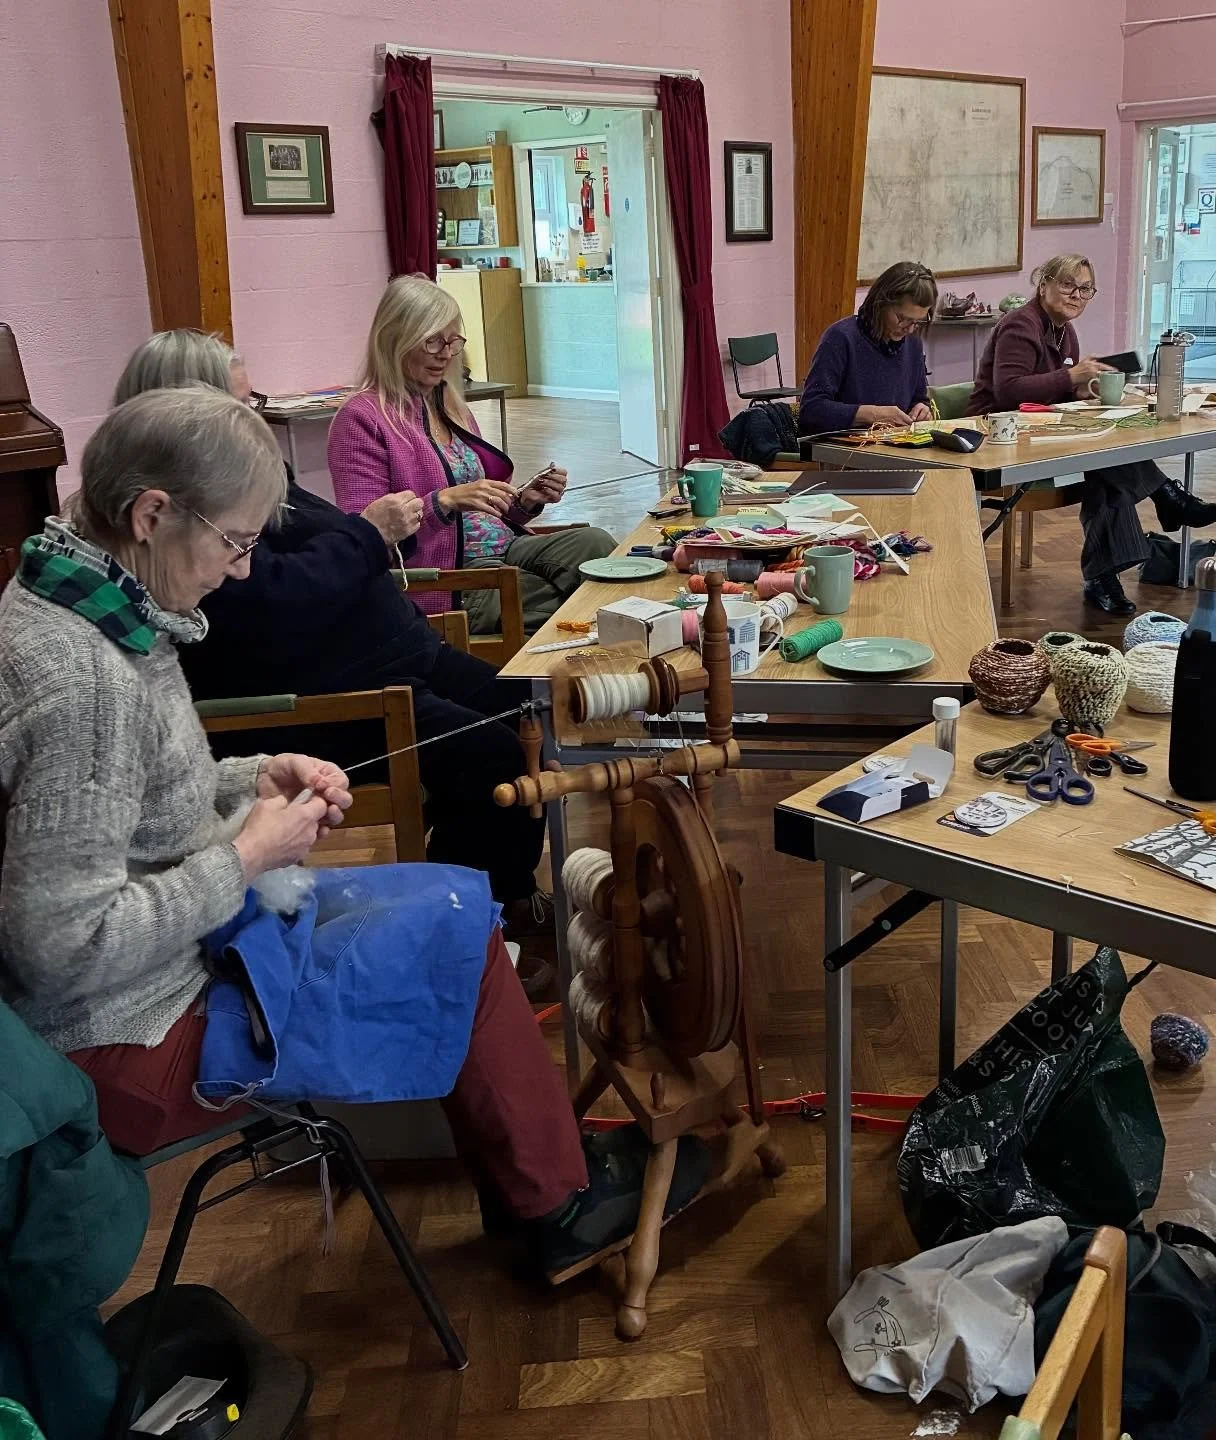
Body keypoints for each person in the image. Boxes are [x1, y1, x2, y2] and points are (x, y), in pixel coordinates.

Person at [0, 386, 704, 1276]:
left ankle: (537, 1187)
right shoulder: (82, 680)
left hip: (162, 973)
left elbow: (138, 800)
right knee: (456, 933)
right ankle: (555, 1207)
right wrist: (247, 852)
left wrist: (254, 776)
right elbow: (62, 944)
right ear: (150, 513)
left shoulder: (83, 604)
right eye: (237, 543)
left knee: (454, 904)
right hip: (132, 1036)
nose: (245, 570)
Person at [112, 330, 548, 934]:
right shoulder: (194, 524)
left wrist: (375, 536)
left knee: (528, 708)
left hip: (399, 659)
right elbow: (278, 601)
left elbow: (323, 555)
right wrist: (369, 534)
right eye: (241, 407)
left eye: (254, 403)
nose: (254, 422)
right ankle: (480, 923)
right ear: (188, 418)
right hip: (344, 696)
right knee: (493, 753)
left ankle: (495, 894)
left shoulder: (250, 482)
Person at [328, 274, 615, 635]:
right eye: (432, 341)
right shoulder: (361, 419)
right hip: (450, 579)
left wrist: (523, 501)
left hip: (505, 549)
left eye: (452, 341)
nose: (446, 354)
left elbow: (481, 506)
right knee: (568, 599)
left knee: (596, 545)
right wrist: (442, 502)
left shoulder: (450, 405)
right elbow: (365, 537)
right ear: (395, 339)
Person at [968, 255, 1216, 616]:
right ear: (1043, 284)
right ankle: (1161, 501)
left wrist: (1083, 390)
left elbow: (1050, 392)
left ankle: (1107, 572)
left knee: (1106, 465)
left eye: (1085, 289)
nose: (1077, 295)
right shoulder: (1020, 325)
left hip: (1039, 429)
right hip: (998, 435)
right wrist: (1072, 379)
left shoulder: (1063, 330)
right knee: (1106, 459)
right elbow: (1009, 392)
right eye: (1068, 285)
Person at [798, 260, 937, 434]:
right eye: (902, 318)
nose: (909, 328)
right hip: (843, 451)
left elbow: (919, 399)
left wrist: (921, 409)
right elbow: (811, 410)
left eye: (917, 322)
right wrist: (873, 414)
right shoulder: (841, 338)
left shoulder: (913, 342)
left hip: (892, 448)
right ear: (881, 303)